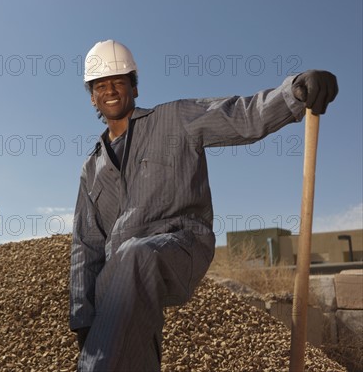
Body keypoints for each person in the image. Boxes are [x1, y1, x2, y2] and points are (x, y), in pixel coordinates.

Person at [69, 40, 338, 371]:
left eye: (118, 81)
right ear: (93, 96)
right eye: (100, 85)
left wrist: (294, 91)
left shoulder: (175, 119)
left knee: (134, 257)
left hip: (180, 246)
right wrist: (83, 317)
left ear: (134, 88)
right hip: (122, 279)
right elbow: (86, 245)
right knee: (130, 351)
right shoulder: (91, 169)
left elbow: (242, 115)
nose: (110, 90)